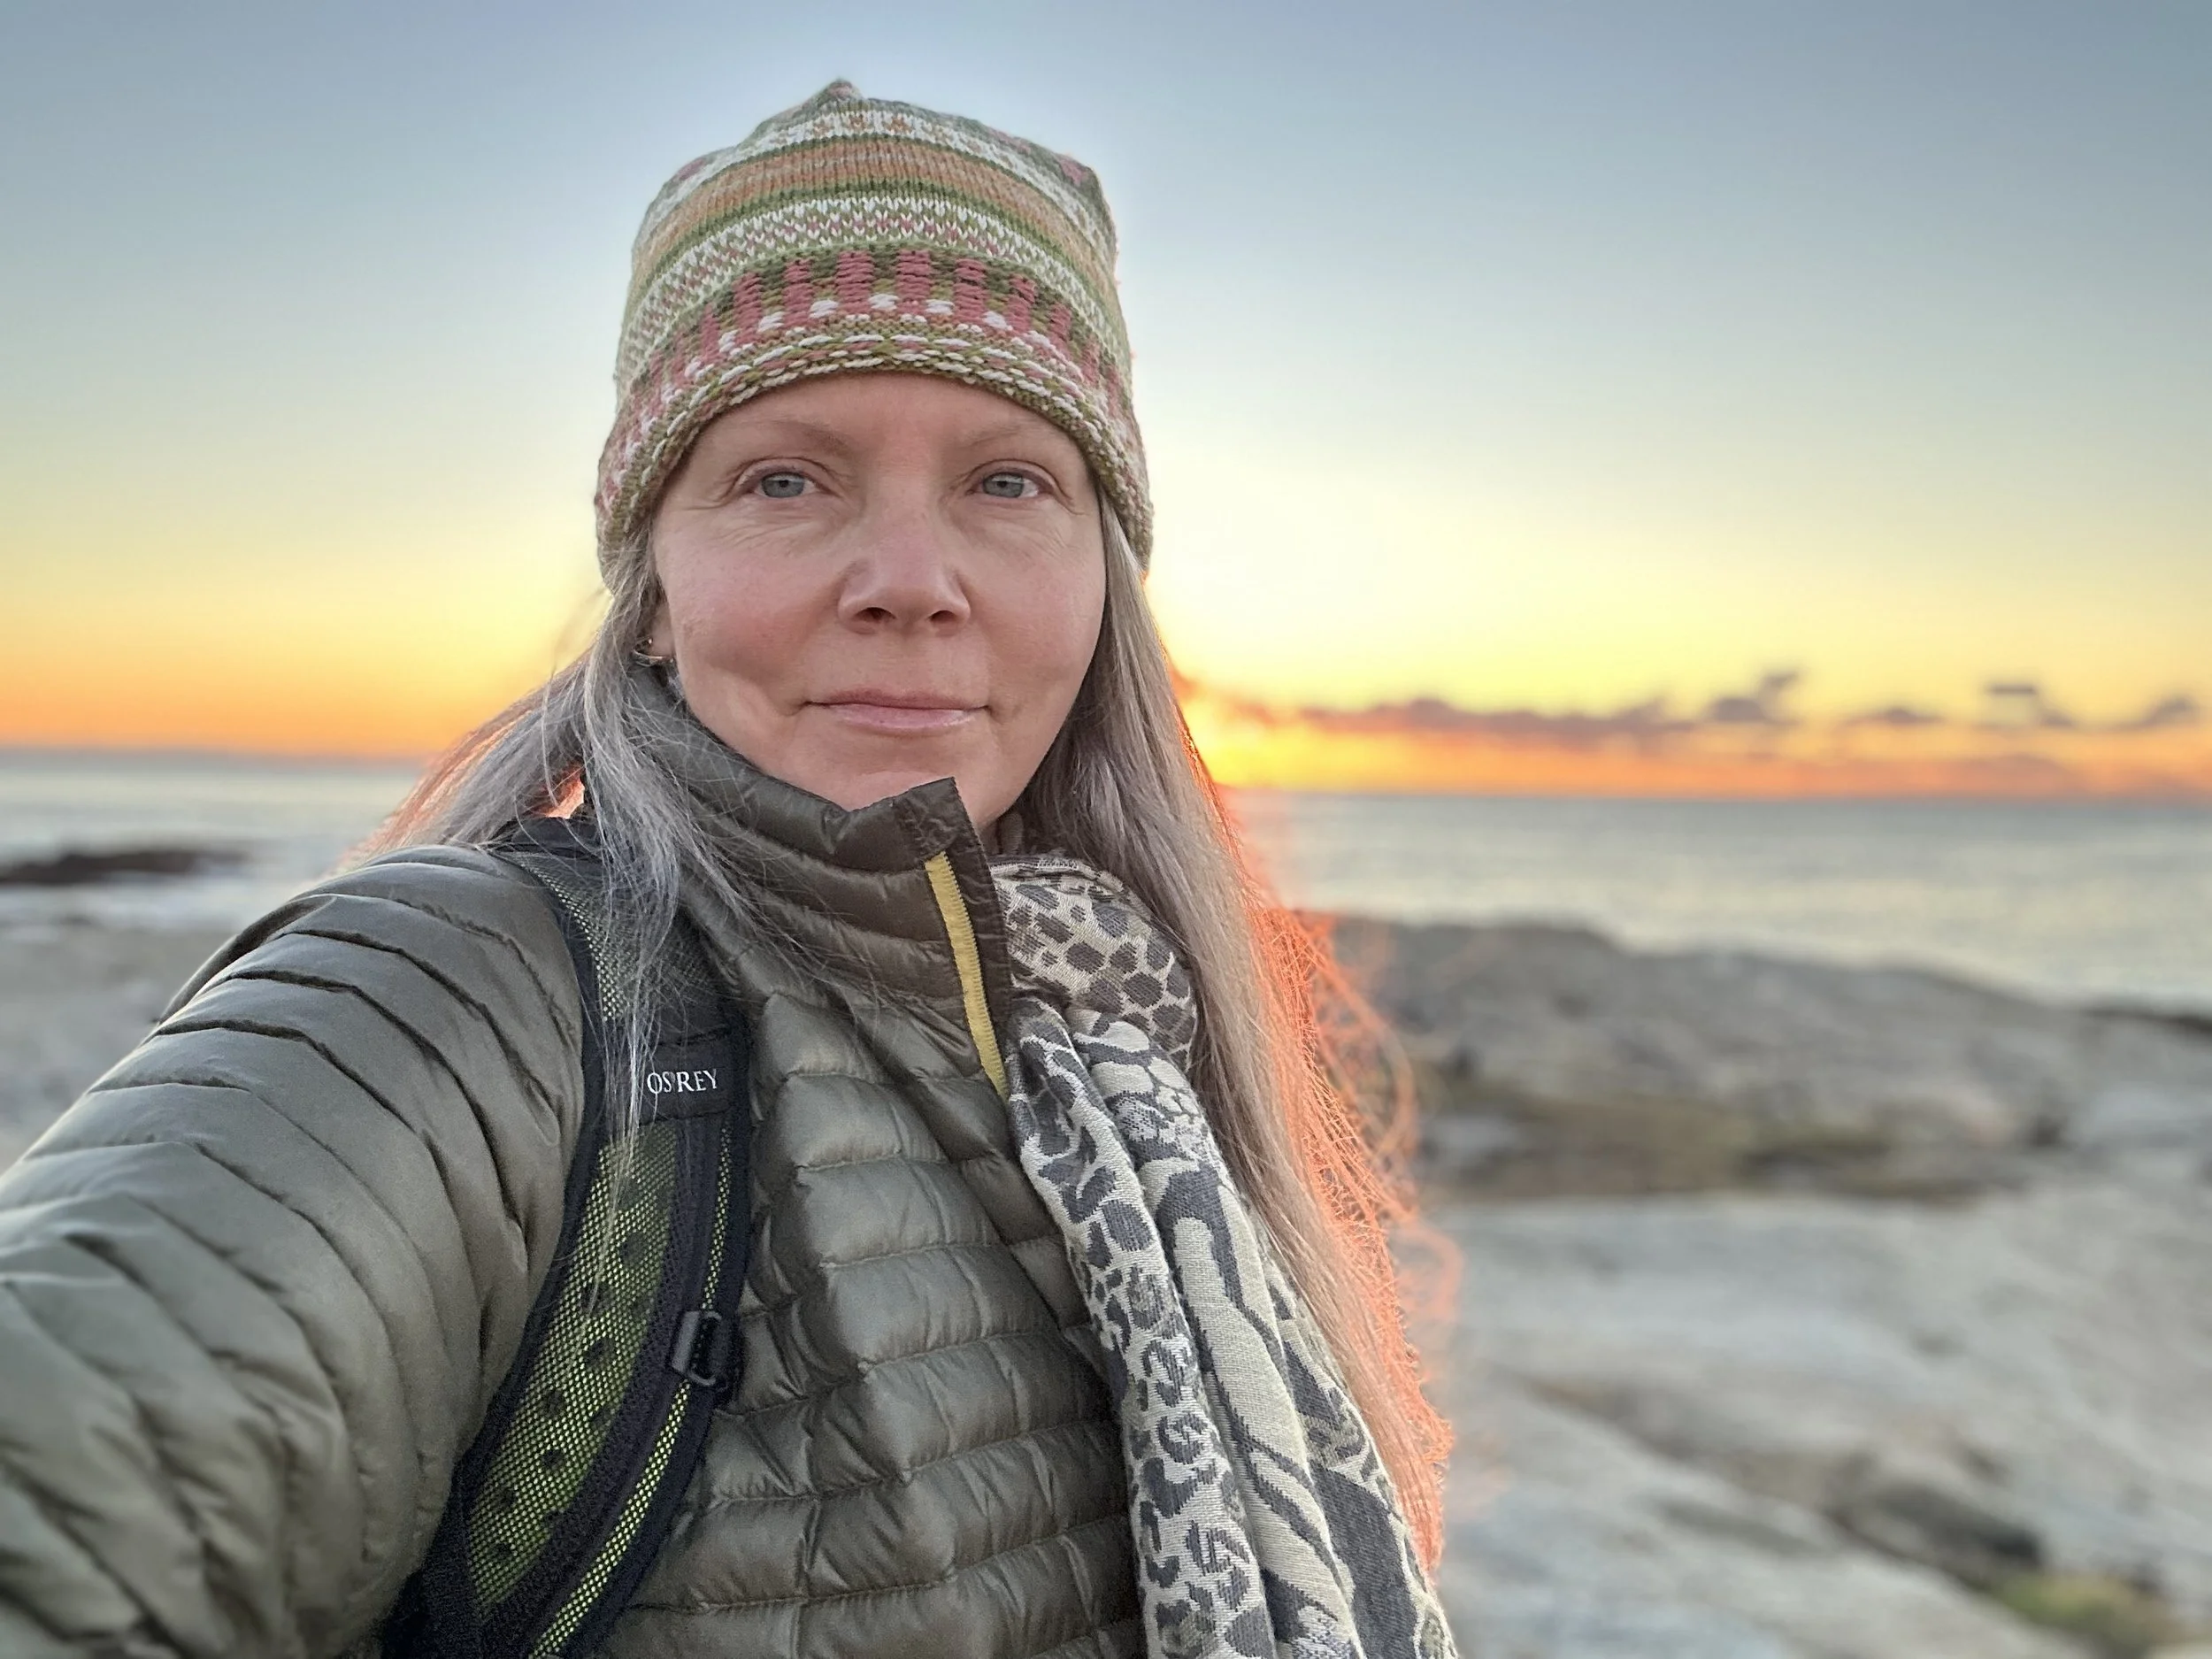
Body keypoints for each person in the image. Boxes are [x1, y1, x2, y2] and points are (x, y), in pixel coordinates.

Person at [0, 82, 1454, 1659]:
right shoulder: (457, 995)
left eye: (1008, 479)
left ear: (1103, 571)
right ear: (651, 587)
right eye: (785, 477)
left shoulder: (1122, 1027)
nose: (910, 580)